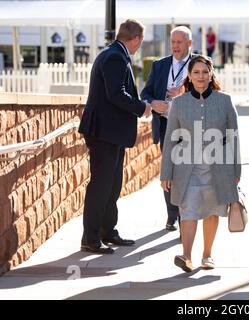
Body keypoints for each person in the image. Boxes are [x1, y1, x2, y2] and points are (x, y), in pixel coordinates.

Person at [160, 55, 241, 272]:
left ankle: (207, 255)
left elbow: (233, 136)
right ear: (189, 75)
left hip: (219, 168)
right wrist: (165, 173)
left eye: (205, 72)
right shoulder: (178, 103)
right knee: (188, 210)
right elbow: (170, 140)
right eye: (196, 72)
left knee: (212, 210)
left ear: (211, 73)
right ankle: (186, 255)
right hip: (186, 168)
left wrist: (236, 169)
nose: (201, 76)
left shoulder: (225, 101)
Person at [78, 19, 152, 254]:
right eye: (140, 42)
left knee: (112, 185)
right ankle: (90, 237)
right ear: (137, 39)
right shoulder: (114, 57)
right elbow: (116, 94)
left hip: (111, 132)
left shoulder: (114, 54)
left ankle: (107, 231)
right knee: (101, 185)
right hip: (104, 132)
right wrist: (142, 107)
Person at [141, 26, 194, 232]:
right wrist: (153, 102)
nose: (175, 46)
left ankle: (186, 215)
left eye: (179, 42)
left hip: (192, 128)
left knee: (189, 172)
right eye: (172, 42)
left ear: (189, 43)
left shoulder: (200, 64)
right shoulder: (160, 65)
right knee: (169, 171)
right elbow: (145, 93)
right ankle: (172, 215)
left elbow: (211, 91)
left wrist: (183, 92)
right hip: (166, 126)